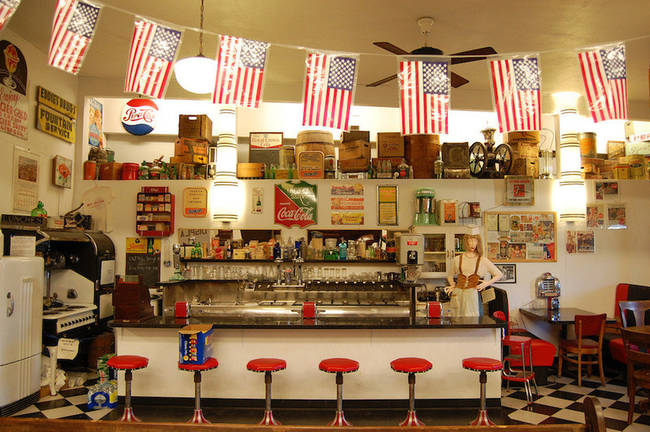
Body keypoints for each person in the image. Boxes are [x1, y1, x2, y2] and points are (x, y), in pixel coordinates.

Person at [445, 234, 503, 317]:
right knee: (456, 318)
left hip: (472, 294)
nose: (472, 243)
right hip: (457, 294)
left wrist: (486, 284)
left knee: (472, 318)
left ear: (478, 242)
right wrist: (452, 284)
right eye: (470, 240)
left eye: (475, 241)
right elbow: (450, 275)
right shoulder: (457, 259)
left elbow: (499, 274)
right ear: (466, 242)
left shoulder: (483, 260)